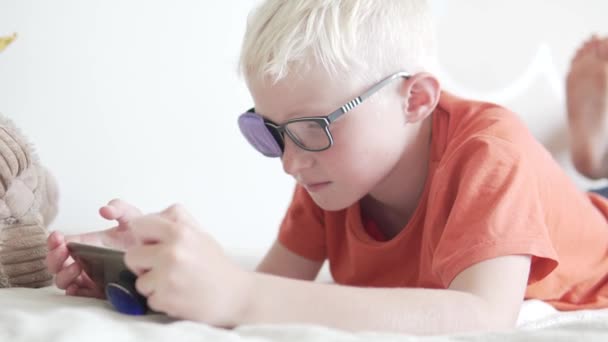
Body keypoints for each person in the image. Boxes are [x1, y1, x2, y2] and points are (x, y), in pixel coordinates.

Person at [46, 0, 608, 335]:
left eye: (313, 128)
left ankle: (591, 149)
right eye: (272, 132)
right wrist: (147, 271)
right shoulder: (326, 175)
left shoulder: (490, 149)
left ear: (415, 100)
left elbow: (485, 317)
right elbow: (264, 287)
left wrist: (241, 296)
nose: (290, 161)